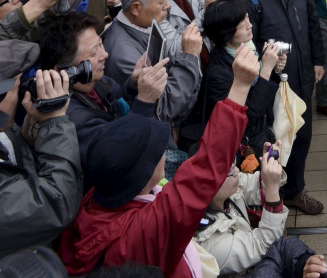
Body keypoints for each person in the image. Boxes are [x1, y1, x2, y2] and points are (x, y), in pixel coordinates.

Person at [59, 44, 261, 276]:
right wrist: (240, 87)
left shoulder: (98, 200)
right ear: (141, 174)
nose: (165, 154)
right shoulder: (144, 232)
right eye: (158, 152)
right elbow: (206, 169)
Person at [246, 0, 325, 215]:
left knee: (302, 133)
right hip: (272, 82)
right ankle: (271, 194)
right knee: (276, 137)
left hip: (302, 74)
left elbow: (312, 23)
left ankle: (294, 191)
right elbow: (250, 40)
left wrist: (318, 60)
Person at [37, 13, 169, 166]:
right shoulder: (70, 118)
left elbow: (119, 100)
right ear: (64, 70)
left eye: (100, 44)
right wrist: (144, 103)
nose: (105, 54)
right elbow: (116, 154)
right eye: (93, 53)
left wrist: (133, 85)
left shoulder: (97, 81)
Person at [0, 40, 83, 257]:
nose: (21, 95)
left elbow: (17, 183)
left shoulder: (5, 133)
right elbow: (56, 203)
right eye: (16, 87)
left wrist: (26, 140)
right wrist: (56, 121)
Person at [102, 0, 203, 126]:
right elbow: (164, 107)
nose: (168, 6)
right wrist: (189, 57)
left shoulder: (143, 24)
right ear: (135, 8)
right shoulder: (123, 56)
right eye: (161, 1)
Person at [201, 0, 285, 156]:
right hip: (244, 149)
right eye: (242, 23)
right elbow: (249, 116)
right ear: (226, 32)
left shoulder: (248, 48)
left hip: (262, 134)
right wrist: (266, 68)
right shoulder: (218, 74)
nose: (250, 25)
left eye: (247, 17)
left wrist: (275, 66)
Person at [194, 141, 288, 274]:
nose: (237, 170)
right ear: (209, 186)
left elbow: (254, 185)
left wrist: (269, 166)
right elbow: (262, 245)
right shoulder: (210, 242)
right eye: (230, 170)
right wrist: (272, 188)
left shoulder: (224, 190)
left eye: (233, 163)